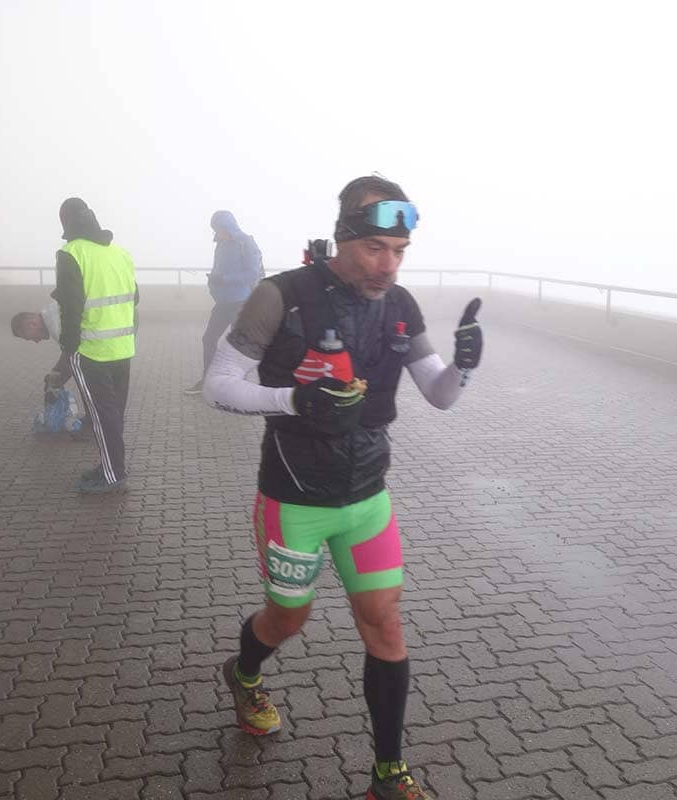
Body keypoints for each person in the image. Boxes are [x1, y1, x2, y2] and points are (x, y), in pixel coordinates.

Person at [203, 176, 483, 800]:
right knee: (288, 619)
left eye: (399, 251)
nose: (388, 265)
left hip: (367, 499)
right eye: (375, 248)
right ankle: (244, 673)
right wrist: (295, 399)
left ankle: (388, 774)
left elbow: (440, 396)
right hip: (294, 499)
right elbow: (217, 386)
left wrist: (463, 367)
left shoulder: (400, 304)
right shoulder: (281, 296)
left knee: (384, 625)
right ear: (343, 237)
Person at [46, 197, 138, 494]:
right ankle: (110, 466)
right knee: (113, 413)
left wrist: (69, 345)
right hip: (122, 348)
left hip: (90, 350)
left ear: (65, 222)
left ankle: (112, 475)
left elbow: (71, 306)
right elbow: (134, 297)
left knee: (101, 415)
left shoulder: (71, 253)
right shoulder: (120, 253)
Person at [184, 210, 262, 394]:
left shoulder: (246, 242)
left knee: (238, 346)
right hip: (222, 302)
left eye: (220, 229)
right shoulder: (220, 244)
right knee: (208, 339)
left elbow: (253, 273)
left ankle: (237, 386)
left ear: (229, 227)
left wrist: (225, 279)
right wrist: (213, 282)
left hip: (240, 303)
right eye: (215, 229)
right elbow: (217, 269)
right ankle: (207, 381)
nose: (218, 233)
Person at [10, 303, 92, 439]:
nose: (36, 341)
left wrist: (56, 381)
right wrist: (55, 374)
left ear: (31, 324)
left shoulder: (56, 326)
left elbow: (74, 357)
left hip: (106, 343)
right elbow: (68, 352)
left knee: (89, 382)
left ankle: (98, 424)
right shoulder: (52, 313)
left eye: (29, 338)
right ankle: (95, 419)